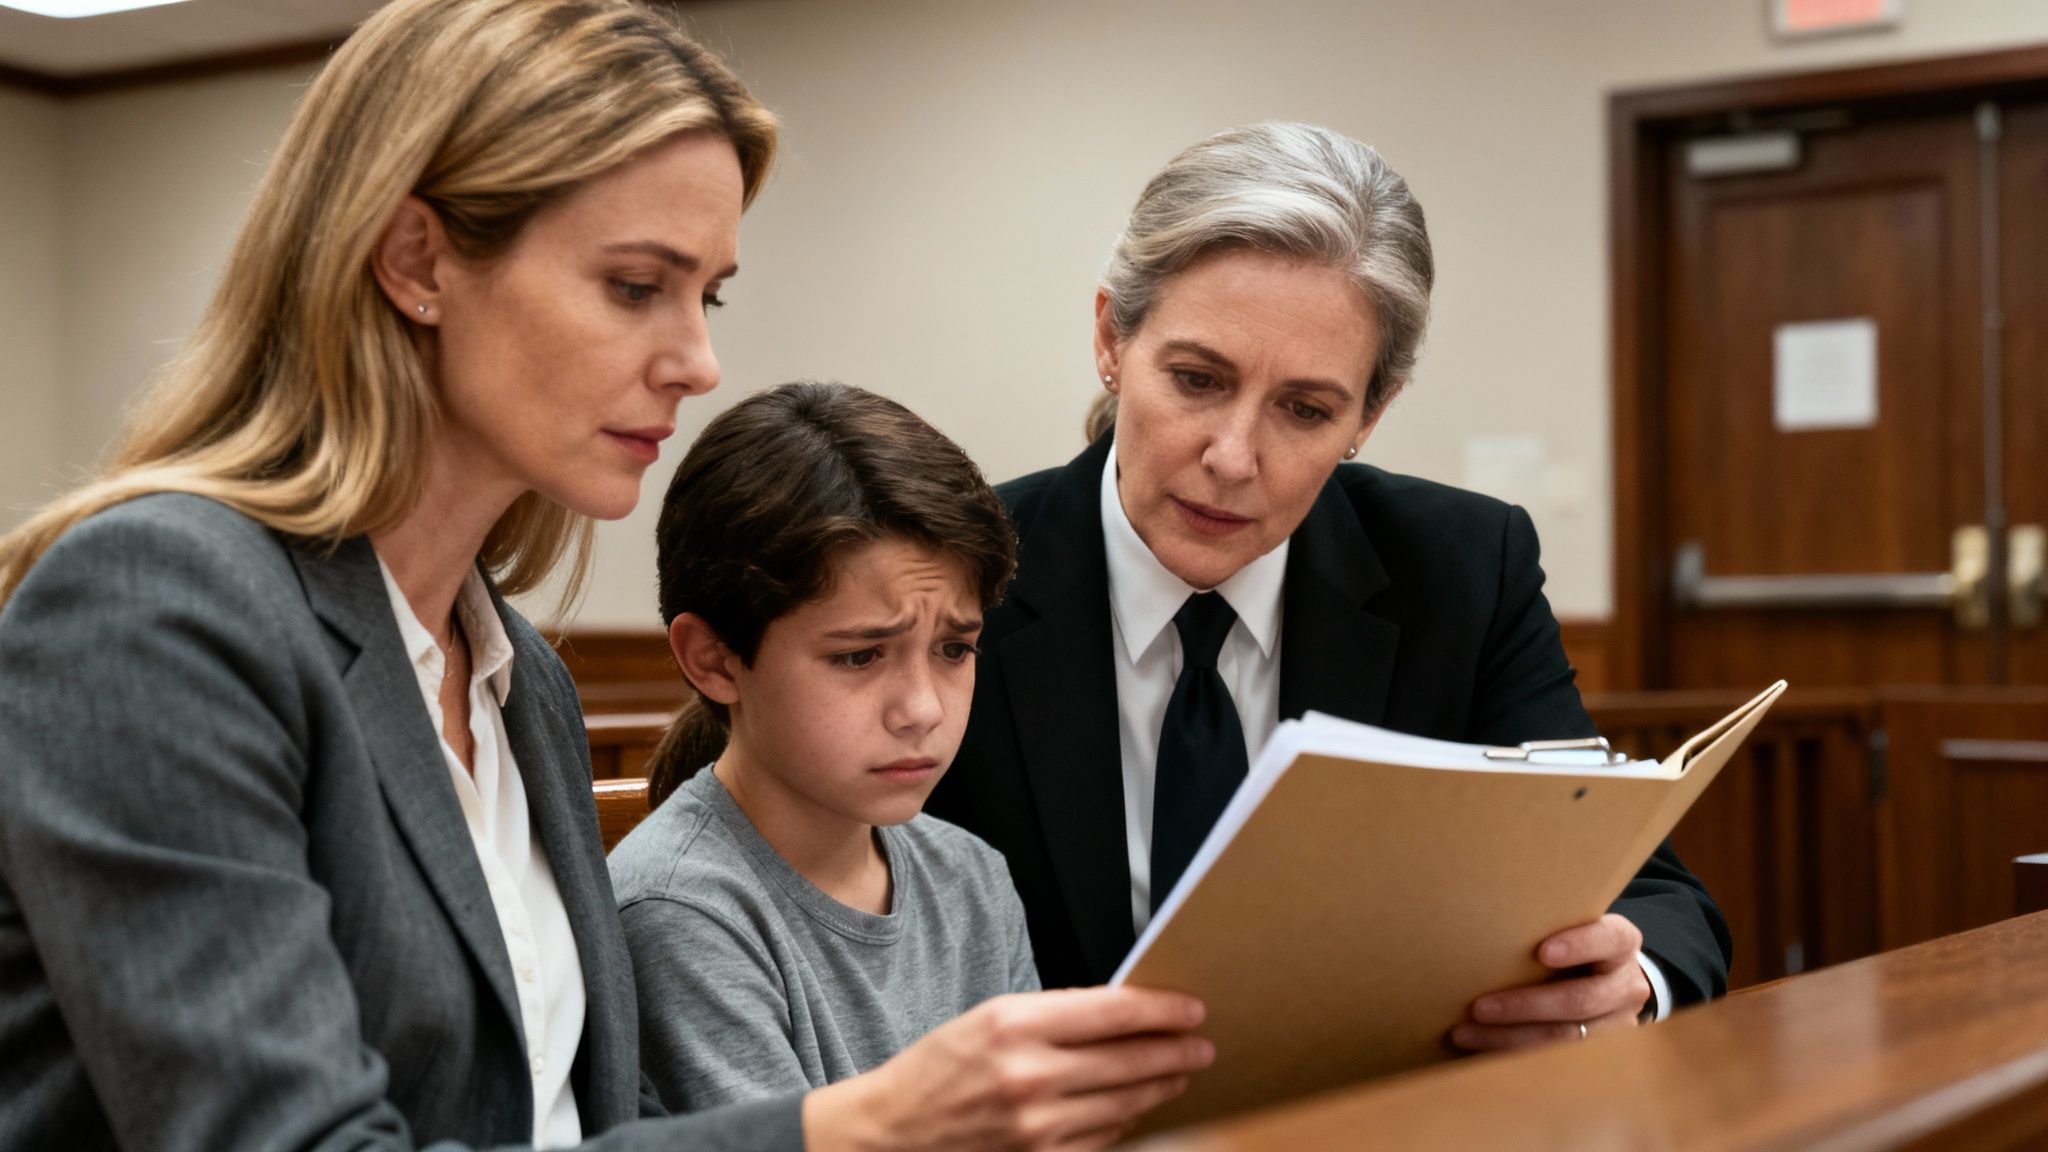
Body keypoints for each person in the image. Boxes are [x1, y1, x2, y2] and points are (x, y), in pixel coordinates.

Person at [0, 2, 1209, 1149]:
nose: (696, 360)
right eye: (636, 287)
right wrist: (866, 1126)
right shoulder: (158, 602)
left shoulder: (519, 675)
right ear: (415, 258)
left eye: (707, 293)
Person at [926, 122, 1734, 1048]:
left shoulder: (1460, 567)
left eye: (1305, 410)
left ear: (1371, 413)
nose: (1233, 458)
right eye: (1196, 380)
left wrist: (1623, 982)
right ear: (1111, 337)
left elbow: (1654, 897)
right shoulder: (963, 571)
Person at [610, 382, 1039, 1112]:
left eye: (954, 649)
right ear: (713, 659)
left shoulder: (972, 875)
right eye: (859, 657)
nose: (922, 710)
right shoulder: (678, 911)